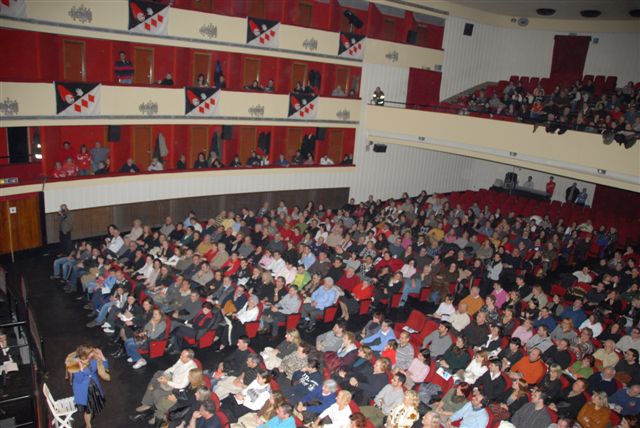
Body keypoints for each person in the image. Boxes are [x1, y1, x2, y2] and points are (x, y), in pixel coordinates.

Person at [65, 345, 109, 428]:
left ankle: (91, 414)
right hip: (83, 389)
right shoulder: (75, 364)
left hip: (94, 386)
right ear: (84, 356)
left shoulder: (93, 359)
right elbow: (79, 380)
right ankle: (88, 425)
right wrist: (80, 370)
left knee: (94, 404)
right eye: (90, 354)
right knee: (88, 410)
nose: (93, 354)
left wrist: (102, 357)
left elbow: (105, 367)